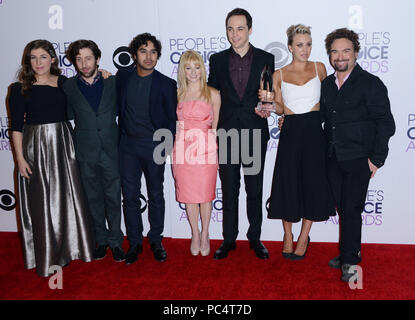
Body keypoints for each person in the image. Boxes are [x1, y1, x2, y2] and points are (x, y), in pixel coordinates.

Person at [8, 39, 94, 277]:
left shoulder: (65, 83)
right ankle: (46, 254)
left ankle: (70, 249)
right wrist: (20, 159)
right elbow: (16, 127)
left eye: (43, 57)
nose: (38, 63)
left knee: (68, 197)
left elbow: (89, 86)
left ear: (53, 59)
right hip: (34, 146)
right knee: (41, 202)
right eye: (33, 58)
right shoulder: (18, 88)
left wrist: (104, 73)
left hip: (64, 144)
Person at [321, 28, 395, 281]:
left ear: (355, 53)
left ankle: (351, 264)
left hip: (358, 159)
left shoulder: (371, 84)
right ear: (330, 55)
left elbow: (386, 123)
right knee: (344, 209)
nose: (340, 56)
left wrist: (376, 159)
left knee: (351, 210)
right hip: (333, 157)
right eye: (335, 51)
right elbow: (321, 120)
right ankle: (347, 253)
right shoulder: (327, 86)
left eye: (346, 51)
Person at [261, 25, 336, 260]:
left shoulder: (320, 68)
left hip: (315, 133)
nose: (305, 49)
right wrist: (271, 105)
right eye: (300, 45)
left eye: (309, 44)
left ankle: (304, 237)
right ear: (290, 47)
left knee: (312, 184)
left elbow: (329, 102)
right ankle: (287, 235)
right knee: (288, 183)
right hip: (291, 132)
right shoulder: (279, 74)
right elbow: (281, 108)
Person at [208, 8, 274, 260]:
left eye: (240, 28)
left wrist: (267, 106)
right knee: (230, 188)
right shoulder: (217, 59)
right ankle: (228, 239)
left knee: (255, 189)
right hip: (226, 134)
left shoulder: (266, 58)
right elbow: (213, 95)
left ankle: (255, 238)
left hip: (255, 133)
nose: (234, 34)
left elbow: (268, 95)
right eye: (230, 28)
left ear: (250, 29)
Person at [116, 33, 177, 264]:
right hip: (127, 146)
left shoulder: (166, 84)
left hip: (154, 146)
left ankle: (155, 239)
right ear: (134, 55)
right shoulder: (122, 77)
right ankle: (134, 242)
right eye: (143, 51)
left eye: (153, 52)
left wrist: (166, 145)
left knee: (155, 195)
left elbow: (171, 120)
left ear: (158, 56)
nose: (149, 56)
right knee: (130, 196)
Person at [64, 40, 125, 263]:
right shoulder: (68, 86)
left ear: (98, 59)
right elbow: (66, 114)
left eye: (88, 58)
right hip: (85, 150)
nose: (84, 63)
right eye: (79, 59)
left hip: (111, 148)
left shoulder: (113, 82)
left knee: (113, 197)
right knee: (93, 198)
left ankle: (117, 242)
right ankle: (102, 240)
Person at [172, 50, 221, 256]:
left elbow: (215, 126)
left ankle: (206, 233)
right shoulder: (177, 94)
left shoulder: (214, 94)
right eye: (188, 67)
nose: (193, 72)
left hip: (205, 148)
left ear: (203, 68)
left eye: (197, 67)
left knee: (205, 196)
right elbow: (174, 124)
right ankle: (194, 233)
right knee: (189, 196)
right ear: (183, 70)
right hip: (182, 147)